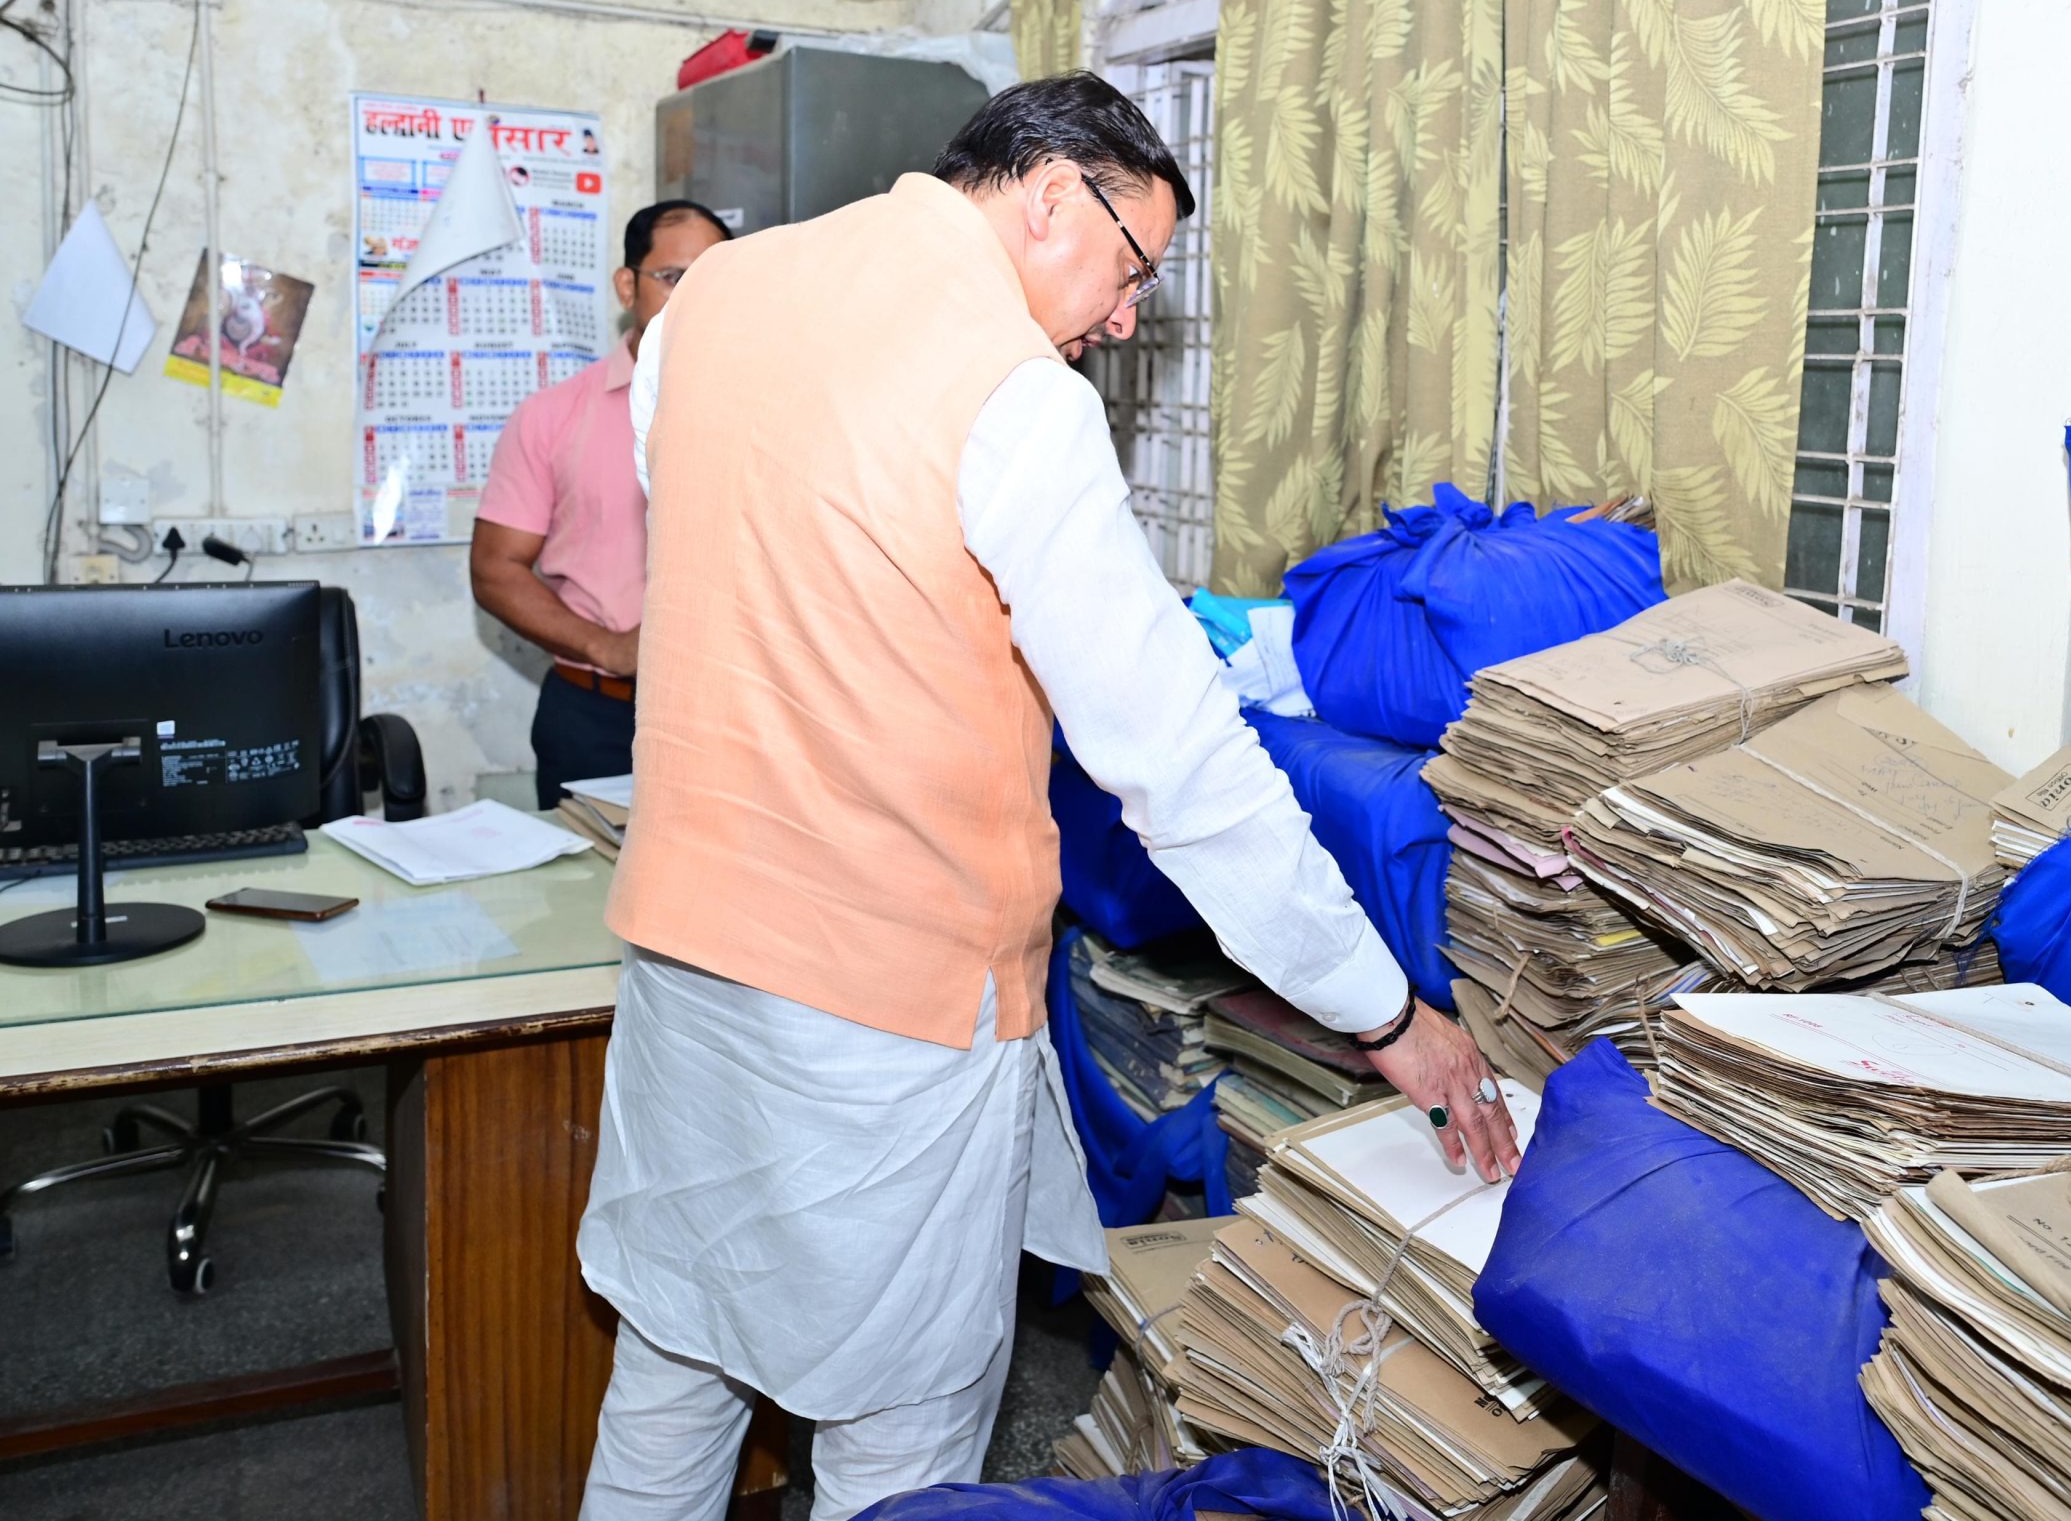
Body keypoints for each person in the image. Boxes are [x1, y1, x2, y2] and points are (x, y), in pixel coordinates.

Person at [575, 74, 1518, 1520]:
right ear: (1051, 193)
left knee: (672, 1365)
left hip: (685, 954)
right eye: (1133, 268)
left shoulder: (715, 300)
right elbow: (1180, 762)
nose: (1127, 318)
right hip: (878, 1007)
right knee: (899, 1434)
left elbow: (731, 549)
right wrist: (1382, 1012)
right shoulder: (1016, 393)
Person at [471, 200, 731, 807]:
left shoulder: (767, 411)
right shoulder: (553, 417)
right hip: (598, 717)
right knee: (585, 871)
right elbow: (495, 568)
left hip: (732, 715)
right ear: (627, 285)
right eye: (674, 278)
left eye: (714, 280)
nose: (695, 299)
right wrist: (605, 646)